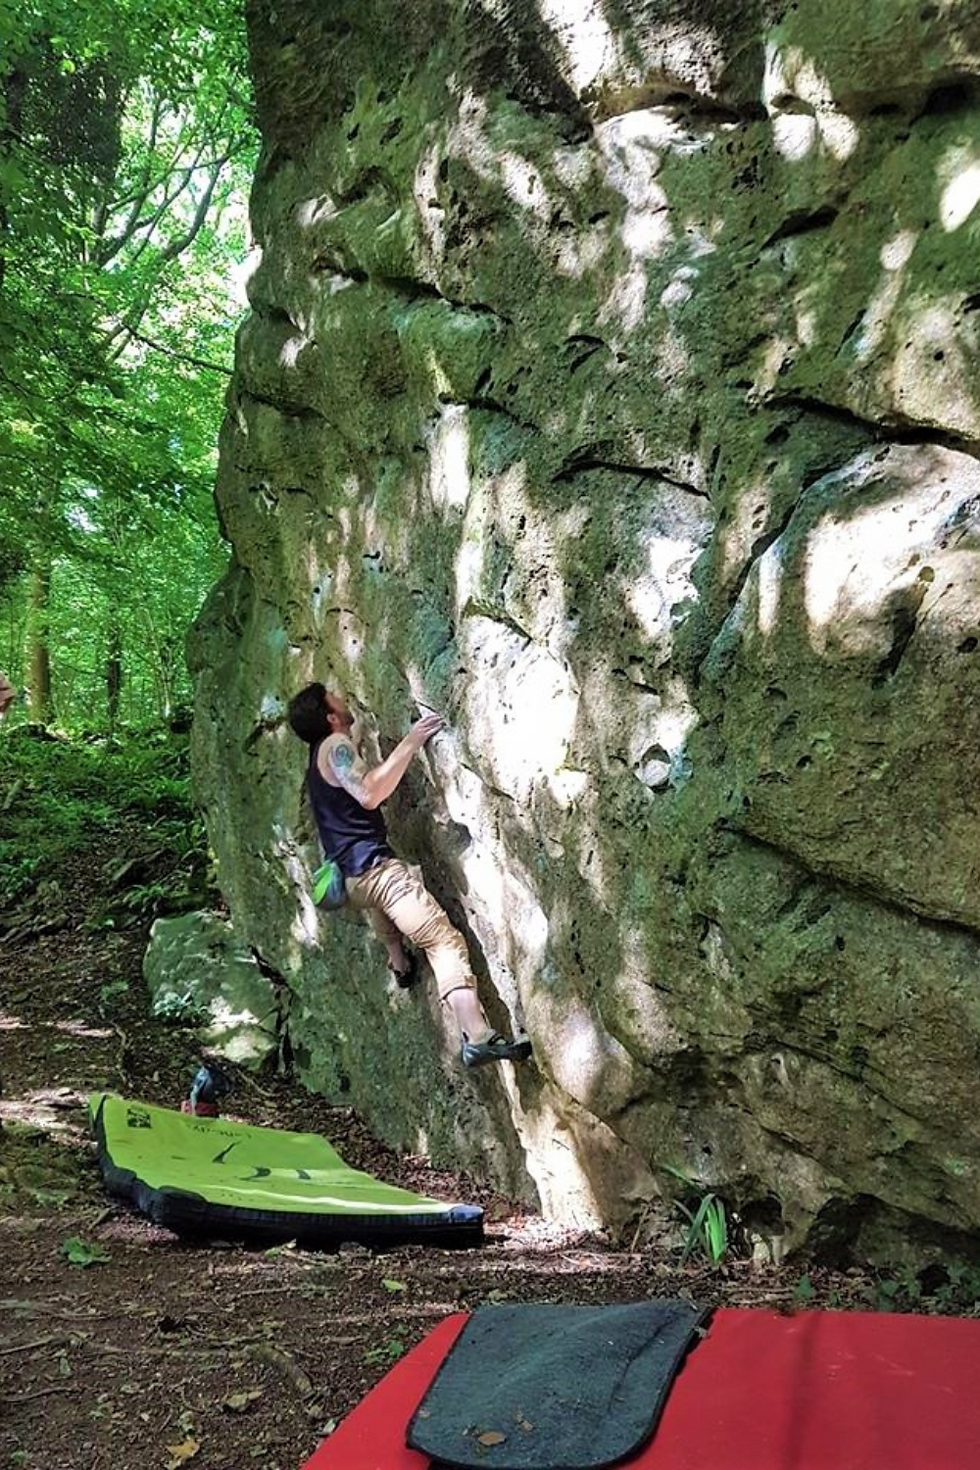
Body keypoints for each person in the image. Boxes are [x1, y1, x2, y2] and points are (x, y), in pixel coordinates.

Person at [286, 683, 532, 1070]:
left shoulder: (316, 757)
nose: (341, 695)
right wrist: (412, 741)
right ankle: (478, 1036)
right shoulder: (335, 747)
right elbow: (369, 794)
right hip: (376, 872)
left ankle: (399, 963)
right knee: (441, 939)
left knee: (381, 905)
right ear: (329, 715)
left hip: (351, 882)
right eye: (333, 696)